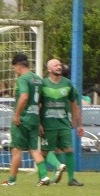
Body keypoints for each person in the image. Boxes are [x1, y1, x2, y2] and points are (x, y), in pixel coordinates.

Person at [35, 57, 84, 186]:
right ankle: (43, 177)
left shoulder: (67, 84)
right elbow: (38, 106)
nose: (59, 67)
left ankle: (71, 179)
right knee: (44, 152)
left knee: (69, 150)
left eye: (60, 65)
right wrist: (39, 123)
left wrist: (79, 124)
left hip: (63, 124)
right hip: (47, 125)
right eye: (56, 65)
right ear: (49, 69)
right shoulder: (43, 84)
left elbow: (74, 104)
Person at [3, 52, 42, 186]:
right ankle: (43, 177)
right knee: (34, 149)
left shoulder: (23, 79)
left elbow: (24, 97)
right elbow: (40, 102)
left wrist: (17, 115)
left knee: (16, 150)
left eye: (14, 68)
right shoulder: (38, 79)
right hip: (34, 118)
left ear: (18, 66)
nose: (15, 71)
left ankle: (11, 181)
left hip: (23, 119)